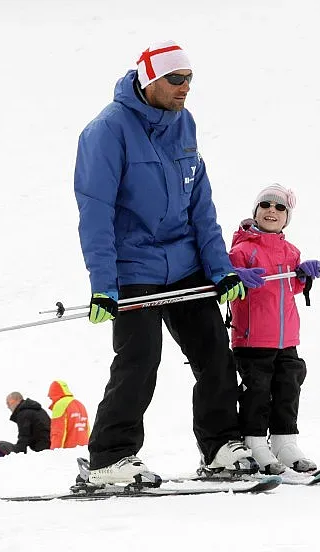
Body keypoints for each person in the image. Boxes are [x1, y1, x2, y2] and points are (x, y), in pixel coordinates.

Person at [74, 40, 255, 484]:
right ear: (149, 80)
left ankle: (220, 448)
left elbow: (201, 204)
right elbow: (94, 212)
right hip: (134, 268)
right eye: (175, 80)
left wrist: (220, 268)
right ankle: (109, 459)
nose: (185, 88)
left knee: (215, 356)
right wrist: (103, 284)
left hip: (186, 264)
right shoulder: (106, 131)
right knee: (139, 362)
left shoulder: (184, 123)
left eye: (190, 79)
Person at [227, 184, 320, 475]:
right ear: (256, 212)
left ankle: (285, 442)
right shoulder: (242, 250)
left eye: (280, 207)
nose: (272, 210)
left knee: (288, 388)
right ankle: (255, 443)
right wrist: (237, 277)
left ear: (287, 217)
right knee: (257, 392)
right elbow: (228, 284)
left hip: (286, 338)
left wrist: (305, 274)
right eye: (266, 205)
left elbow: (291, 286)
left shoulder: (290, 251)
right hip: (253, 338)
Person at [47, 380, 90, 449]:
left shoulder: (60, 405)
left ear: (53, 394)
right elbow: (87, 429)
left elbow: (58, 432)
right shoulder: (80, 404)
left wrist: (54, 452)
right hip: (84, 449)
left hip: (68, 451)